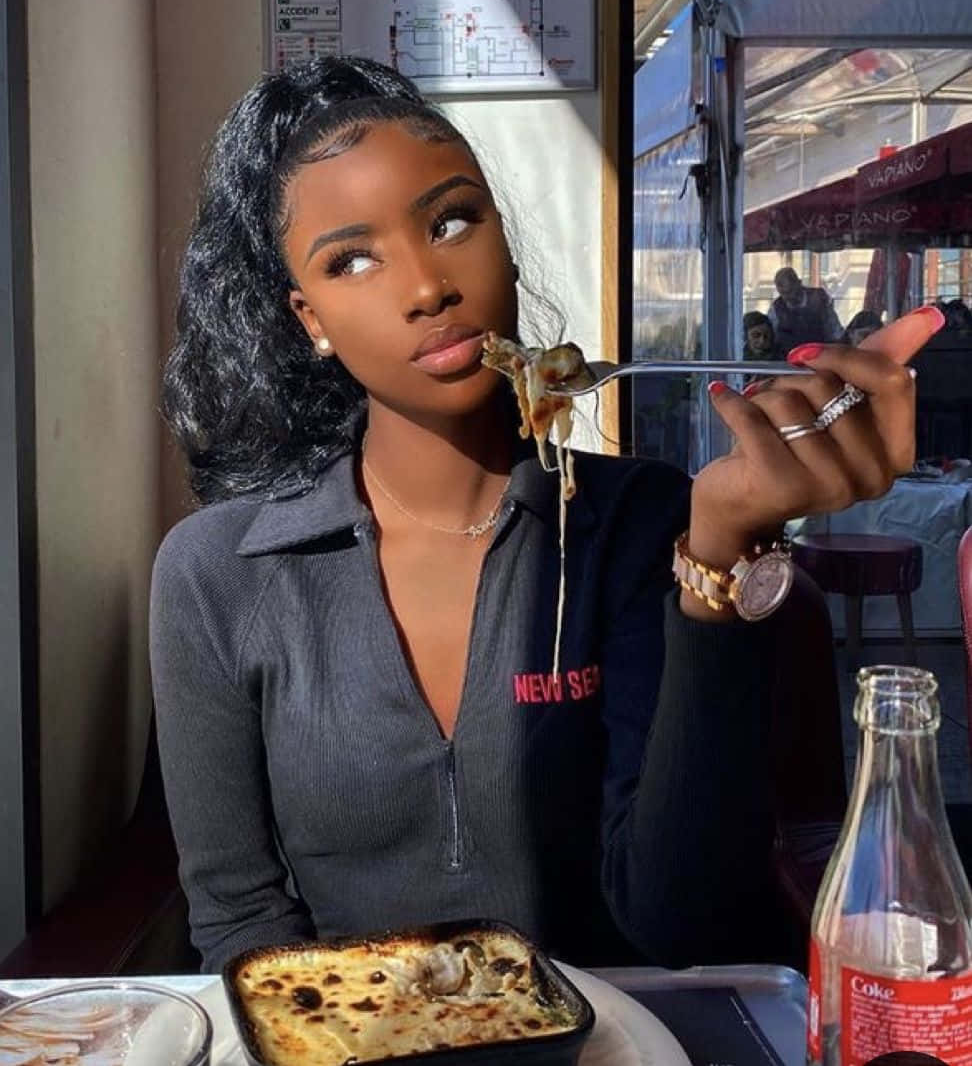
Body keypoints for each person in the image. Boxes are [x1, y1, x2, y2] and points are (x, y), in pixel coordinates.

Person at [151, 56, 937, 975]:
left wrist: (723, 549)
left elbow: (681, 922)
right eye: (351, 259)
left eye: (452, 221)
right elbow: (240, 929)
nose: (425, 287)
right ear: (308, 317)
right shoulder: (216, 573)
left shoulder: (645, 526)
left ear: (506, 246)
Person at [767, 266, 845, 353]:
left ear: (799, 283)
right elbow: (772, 337)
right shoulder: (776, 308)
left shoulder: (819, 299)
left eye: (790, 291)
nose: (787, 297)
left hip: (819, 355)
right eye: (783, 293)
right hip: (789, 358)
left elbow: (834, 329)